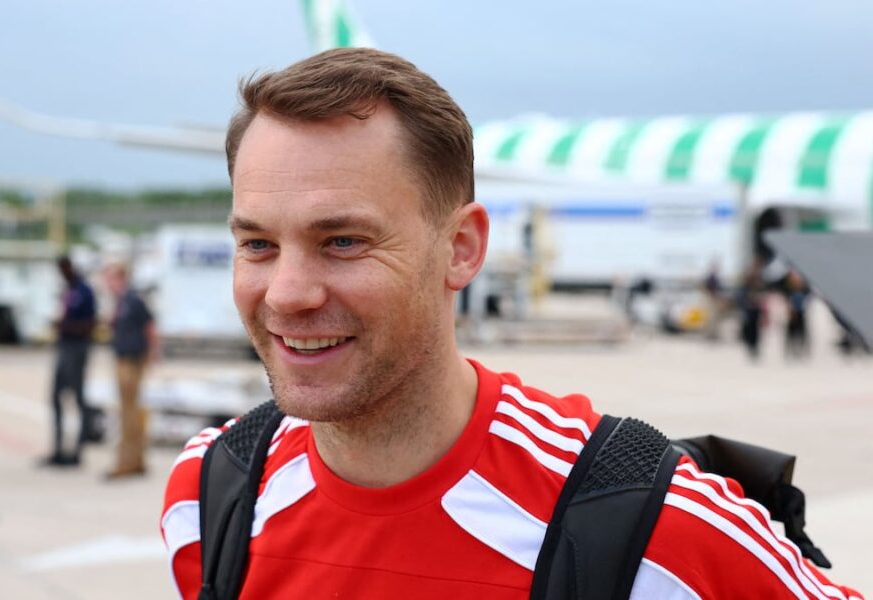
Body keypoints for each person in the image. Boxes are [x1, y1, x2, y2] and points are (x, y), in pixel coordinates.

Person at [160, 49, 862, 599]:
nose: (287, 294)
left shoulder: (648, 528)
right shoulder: (211, 496)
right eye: (258, 244)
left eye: (343, 241)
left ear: (462, 249)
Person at [103, 261, 158, 479]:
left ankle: (127, 461)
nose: (107, 284)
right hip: (124, 358)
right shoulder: (121, 301)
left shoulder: (132, 300)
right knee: (130, 410)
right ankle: (137, 459)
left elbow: (150, 326)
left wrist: (152, 353)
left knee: (128, 412)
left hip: (131, 360)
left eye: (110, 278)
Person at [42, 255, 97, 467]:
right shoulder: (69, 290)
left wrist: (65, 326)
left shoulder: (84, 291)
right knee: (56, 397)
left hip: (77, 348)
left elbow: (90, 323)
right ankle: (58, 449)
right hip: (64, 347)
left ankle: (77, 451)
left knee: (77, 398)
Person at [784, 270, 811, 360]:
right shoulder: (788, 290)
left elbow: (807, 300)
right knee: (791, 332)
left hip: (801, 313)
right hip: (792, 313)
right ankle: (790, 350)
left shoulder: (805, 290)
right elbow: (787, 301)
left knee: (802, 332)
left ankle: (803, 349)